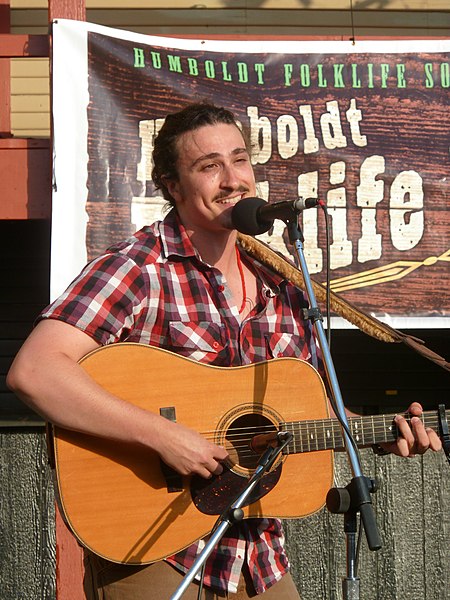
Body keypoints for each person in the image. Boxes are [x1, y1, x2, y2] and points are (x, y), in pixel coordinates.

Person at [7, 102, 442, 600]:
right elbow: (36, 372)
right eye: (209, 166)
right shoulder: (139, 268)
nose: (233, 180)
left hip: (258, 555)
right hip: (157, 548)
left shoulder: (283, 283)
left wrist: (378, 434)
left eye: (239, 160)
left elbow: (312, 410)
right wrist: (166, 438)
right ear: (172, 185)